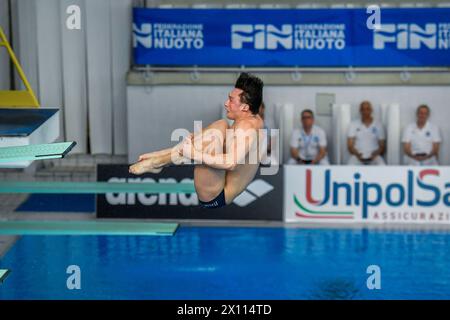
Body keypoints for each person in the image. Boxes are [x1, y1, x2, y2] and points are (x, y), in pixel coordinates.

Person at [129, 73, 265, 209]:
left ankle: (158, 162)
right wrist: (200, 141)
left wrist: (193, 153)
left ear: (245, 107)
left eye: (231, 100)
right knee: (221, 125)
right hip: (219, 179)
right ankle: (159, 161)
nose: (226, 103)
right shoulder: (251, 118)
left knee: (211, 138)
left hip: (217, 195)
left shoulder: (247, 129)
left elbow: (231, 163)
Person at [347, 101, 386, 165]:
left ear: (371, 110)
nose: (365, 111)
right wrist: (357, 154)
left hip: (374, 155)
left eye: (368, 109)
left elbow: (382, 146)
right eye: (363, 109)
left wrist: (375, 154)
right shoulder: (353, 124)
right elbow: (350, 145)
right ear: (360, 111)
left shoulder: (379, 125)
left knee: (382, 165)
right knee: (350, 166)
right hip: (358, 155)